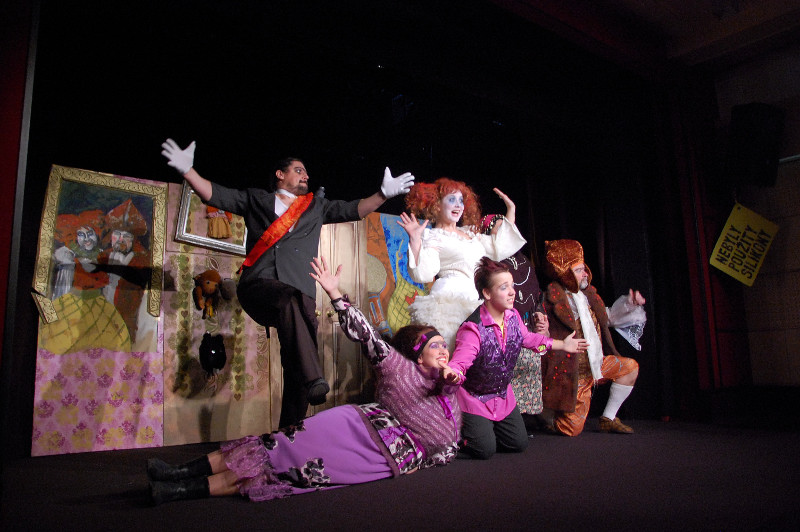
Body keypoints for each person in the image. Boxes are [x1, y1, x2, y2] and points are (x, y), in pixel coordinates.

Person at [146, 256, 462, 505]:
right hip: (357, 430)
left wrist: (423, 459)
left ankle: (178, 492)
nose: (443, 350)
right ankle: (178, 472)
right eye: (434, 345)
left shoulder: (451, 392)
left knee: (287, 473)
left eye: (443, 345)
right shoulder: (399, 368)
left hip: (378, 460)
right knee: (274, 448)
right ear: (417, 356)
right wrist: (335, 294)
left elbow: (447, 446)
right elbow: (366, 335)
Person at [161, 139, 414, 427]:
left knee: (296, 361)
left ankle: (289, 433)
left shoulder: (316, 207)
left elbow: (354, 209)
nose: (306, 175)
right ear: (280, 174)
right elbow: (217, 195)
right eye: (298, 170)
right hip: (260, 286)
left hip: (301, 294)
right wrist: (187, 171)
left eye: (306, 172)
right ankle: (314, 377)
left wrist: (383, 194)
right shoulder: (257, 199)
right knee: (293, 317)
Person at [447, 257, 588, 459]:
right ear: (487, 293)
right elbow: (460, 362)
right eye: (504, 287)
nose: (513, 292)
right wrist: (452, 371)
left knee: (518, 444)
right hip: (474, 399)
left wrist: (562, 345)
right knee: (484, 450)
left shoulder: (512, 316)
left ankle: (486, 430)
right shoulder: (472, 329)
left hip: (502, 396)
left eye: (512, 285)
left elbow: (528, 338)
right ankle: (463, 434)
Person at [398, 178, 526, 348]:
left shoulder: (471, 234)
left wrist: (511, 210)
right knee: (456, 353)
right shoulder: (434, 236)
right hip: (449, 302)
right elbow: (424, 274)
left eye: (461, 200)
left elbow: (499, 247)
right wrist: (415, 239)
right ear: (437, 204)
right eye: (452, 199)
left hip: (475, 301)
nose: (458, 205)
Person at [540, 239, 644, 436]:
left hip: (596, 365)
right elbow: (543, 338)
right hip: (573, 373)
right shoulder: (551, 300)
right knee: (571, 430)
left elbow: (607, 317)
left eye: (584, 269)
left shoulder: (588, 295)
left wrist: (630, 304)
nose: (585, 274)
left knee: (629, 367)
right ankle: (547, 415)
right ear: (565, 273)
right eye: (579, 270)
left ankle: (608, 418)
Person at [479, 214, 549, 429]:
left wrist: (540, 316)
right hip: (498, 322)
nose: (504, 233)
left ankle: (524, 417)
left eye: (507, 228)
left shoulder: (524, 262)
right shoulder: (488, 262)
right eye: (498, 229)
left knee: (531, 360)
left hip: (525, 324)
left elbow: (535, 294)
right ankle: (503, 418)